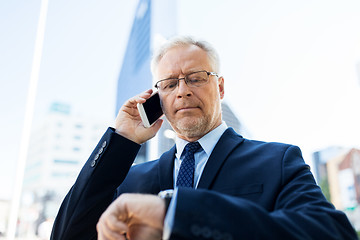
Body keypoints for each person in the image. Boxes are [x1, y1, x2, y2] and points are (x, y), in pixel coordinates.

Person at [51, 36, 357, 240]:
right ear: (157, 97)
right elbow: (68, 234)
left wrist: (175, 213)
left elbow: (331, 233)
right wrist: (122, 139)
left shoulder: (277, 160)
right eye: (169, 84)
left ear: (220, 88)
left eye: (196, 78)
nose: (183, 90)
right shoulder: (130, 179)